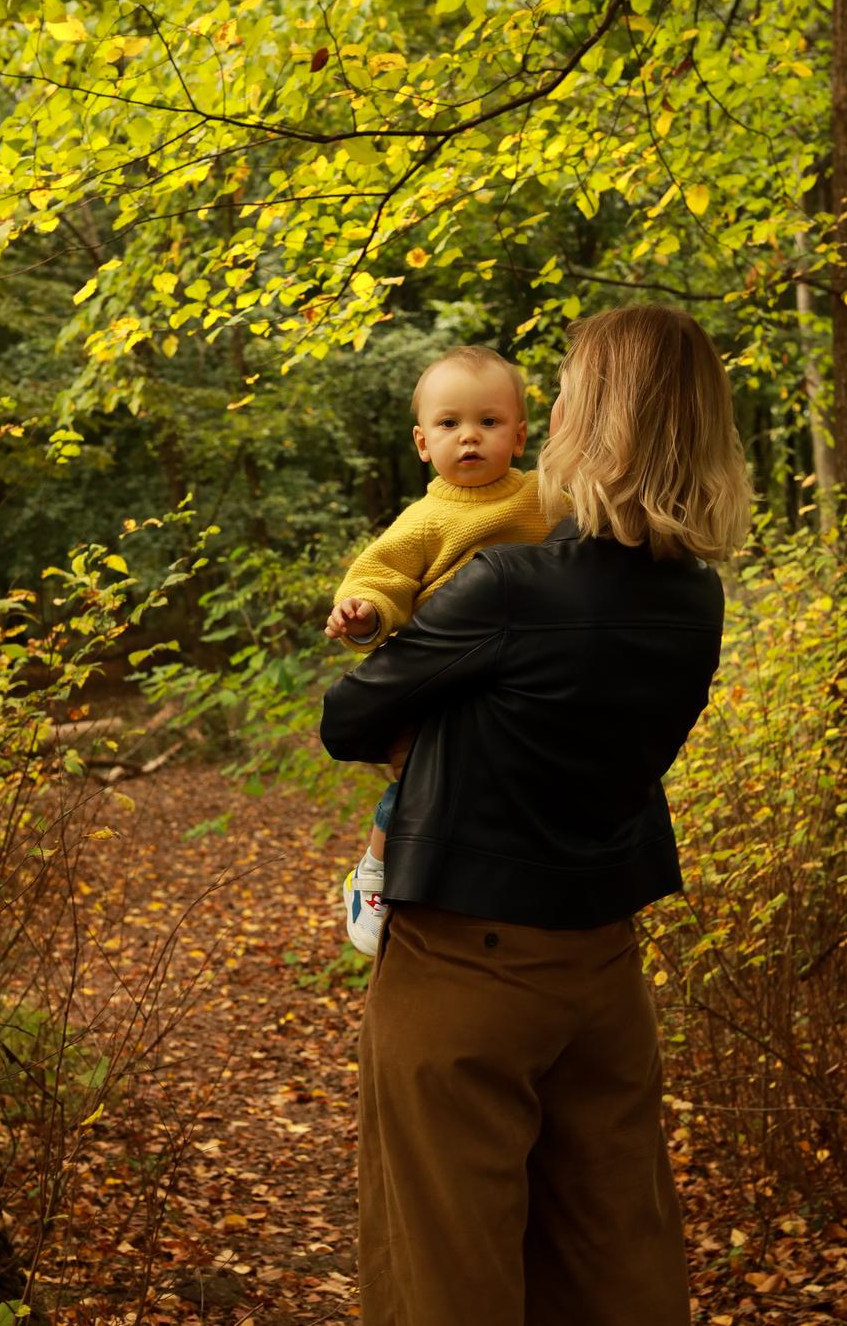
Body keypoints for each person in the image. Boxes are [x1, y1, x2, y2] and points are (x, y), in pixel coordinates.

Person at [320, 305, 753, 1326]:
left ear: (580, 417)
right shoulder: (695, 595)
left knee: (447, 1269)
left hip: (463, 962)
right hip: (602, 964)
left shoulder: (504, 583)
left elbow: (348, 714)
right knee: (615, 1257)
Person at [324, 345, 556, 956]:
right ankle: (373, 871)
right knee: (424, 777)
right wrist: (363, 610)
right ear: (423, 442)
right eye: (450, 424)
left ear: (521, 435)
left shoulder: (543, 496)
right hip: (441, 679)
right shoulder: (425, 520)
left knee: (498, 779)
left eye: (489, 422)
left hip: (520, 675)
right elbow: (380, 576)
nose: (470, 438)